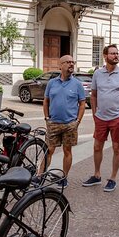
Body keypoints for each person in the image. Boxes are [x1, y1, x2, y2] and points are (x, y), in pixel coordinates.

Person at [82, 44, 119, 192]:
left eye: (117, 53)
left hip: (117, 117)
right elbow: (94, 95)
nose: (116, 56)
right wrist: (94, 114)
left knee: (117, 148)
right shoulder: (98, 74)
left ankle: (113, 178)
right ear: (105, 56)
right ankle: (96, 175)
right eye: (112, 53)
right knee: (97, 146)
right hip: (101, 118)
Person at [41, 55, 86, 188]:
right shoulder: (52, 83)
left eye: (73, 62)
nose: (71, 64)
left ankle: (64, 178)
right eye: (68, 62)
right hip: (53, 123)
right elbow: (46, 101)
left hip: (70, 124)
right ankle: (40, 175)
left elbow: (82, 104)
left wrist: (77, 121)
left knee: (67, 151)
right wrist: (47, 118)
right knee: (49, 150)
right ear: (60, 66)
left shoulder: (77, 84)